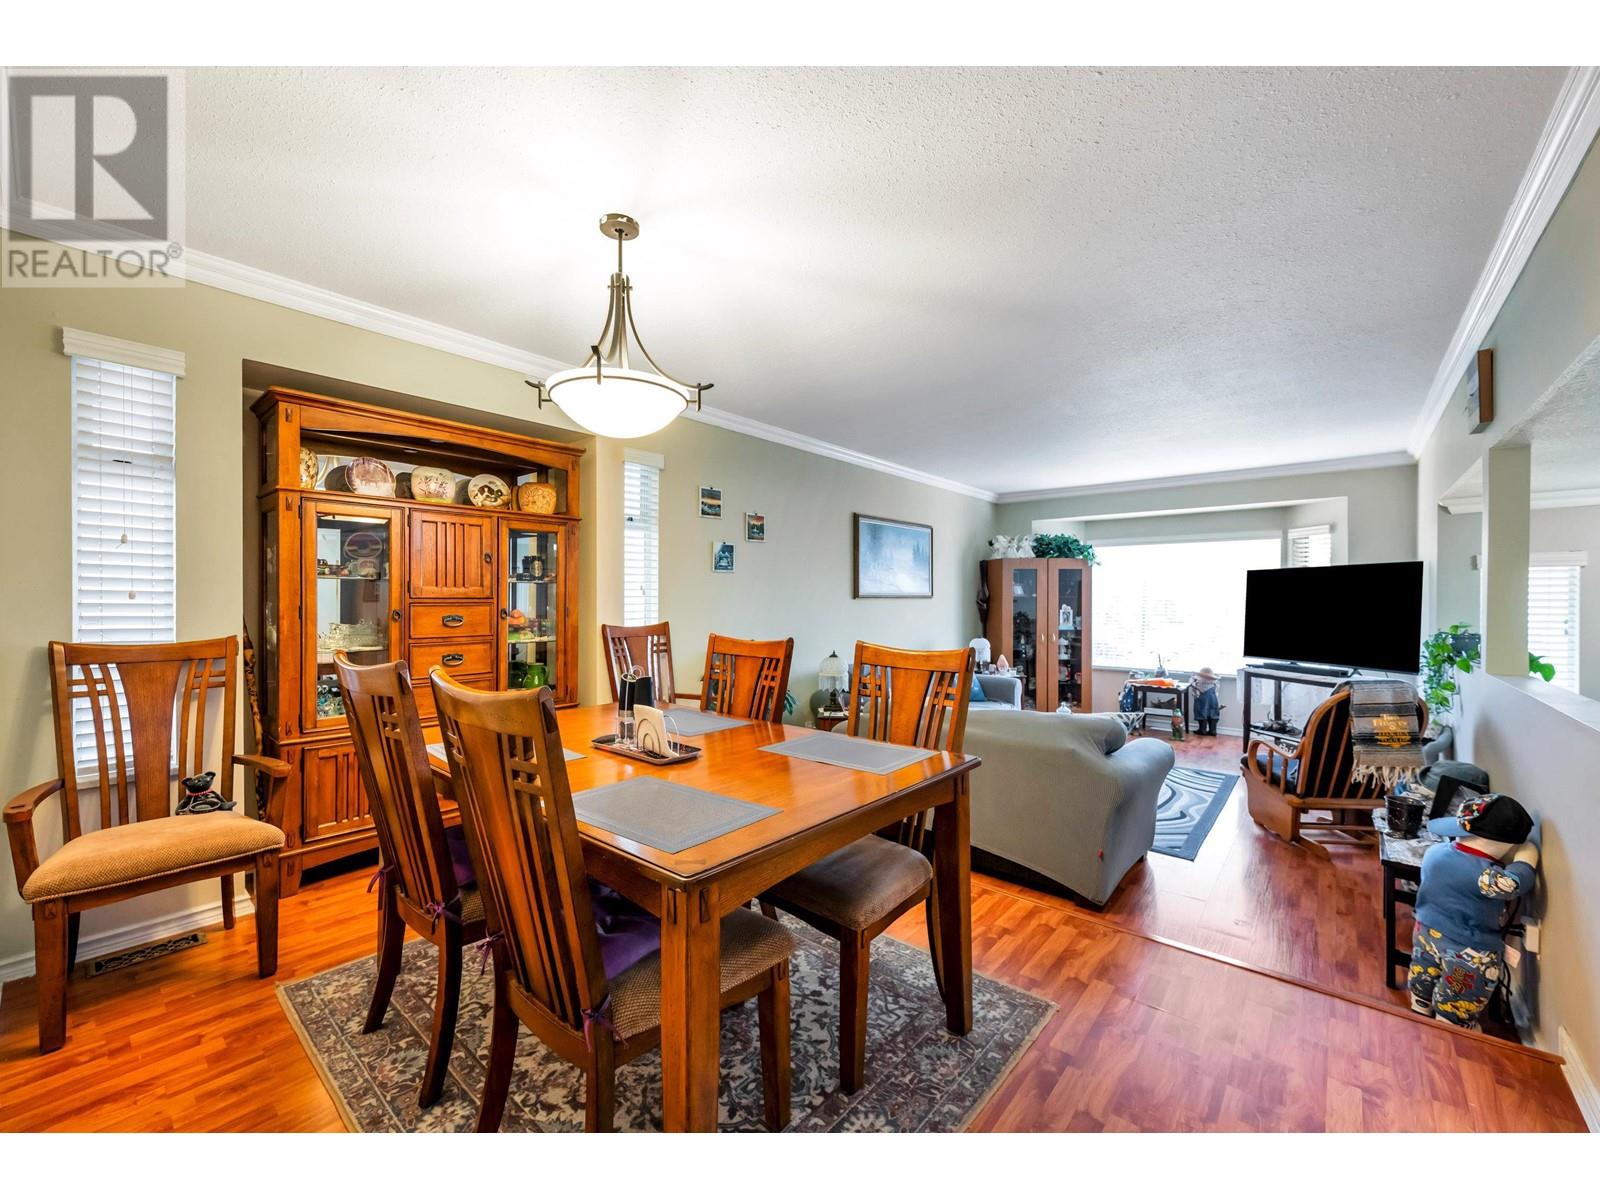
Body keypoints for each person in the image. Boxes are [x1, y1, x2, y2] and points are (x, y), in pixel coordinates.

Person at [1409, 793, 1538, 1029]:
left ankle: (1420, 1006)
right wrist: (1526, 859)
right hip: (1468, 950)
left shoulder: (1434, 853)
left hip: (1425, 933)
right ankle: (1451, 1028)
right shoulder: (1485, 877)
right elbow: (1514, 883)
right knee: (1456, 1002)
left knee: (1422, 977)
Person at [1189, 667, 1221, 736]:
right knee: (1213, 712)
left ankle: (1202, 730)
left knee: (1201, 712)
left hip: (1201, 698)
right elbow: (1217, 692)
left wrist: (1192, 678)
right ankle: (1213, 730)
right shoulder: (1214, 683)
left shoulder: (1198, 683)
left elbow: (1192, 685)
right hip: (1213, 699)